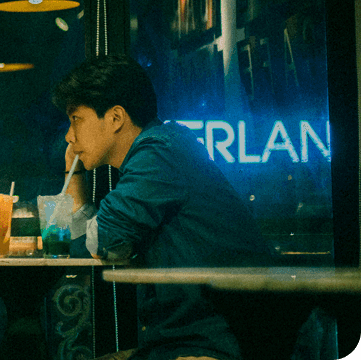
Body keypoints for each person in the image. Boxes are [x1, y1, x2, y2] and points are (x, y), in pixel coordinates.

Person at [51, 55, 275, 360]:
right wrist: (75, 175)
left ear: (115, 118)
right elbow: (108, 245)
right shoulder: (161, 151)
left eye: (76, 119)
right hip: (180, 341)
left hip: (212, 345)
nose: (69, 135)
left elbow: (99, 241)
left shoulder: (159, 153)